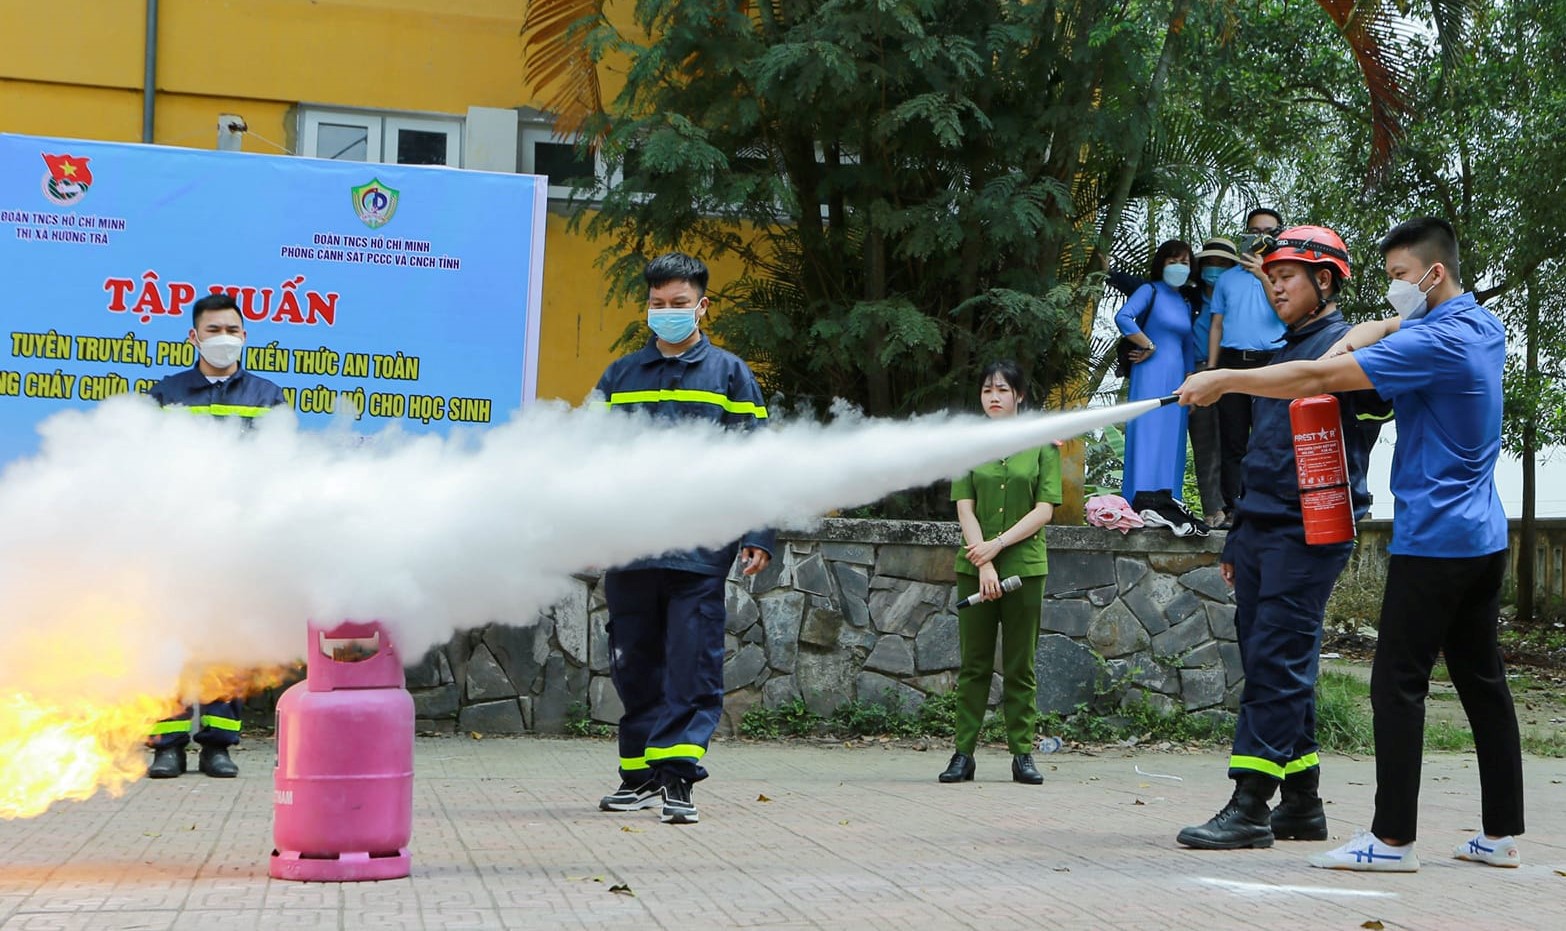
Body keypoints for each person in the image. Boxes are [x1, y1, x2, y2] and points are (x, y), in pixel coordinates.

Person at [1176, 217, 1523, 873]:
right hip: (1483, 533)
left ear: (1434, 273)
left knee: (1396, 685)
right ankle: (1500, 834)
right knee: (1483, 682)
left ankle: (1392, 840)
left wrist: (1223, 381)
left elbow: (1315, 379)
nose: (1394, 288)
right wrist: (1371, 327)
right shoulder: (1480, 325)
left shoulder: (1434, 342)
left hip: (1435, 537)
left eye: (1399, 276)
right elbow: (1390, 327)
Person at [1174, 226, 1391, 850]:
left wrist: (1224, 378)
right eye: (1269, 279)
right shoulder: (1281, 354)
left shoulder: (1349, 354)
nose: (1274, 288)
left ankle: (1249, 805)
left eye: (1286, 277)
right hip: (1262, 523)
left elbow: (1342, 388)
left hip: (1313, 525)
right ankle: (1300, 803)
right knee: (1271, 659)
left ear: (1324, 280)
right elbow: (1265, 453)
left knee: (1277, 659)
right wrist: (1238, 534)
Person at [592, 252, 775, 826]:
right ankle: (639, 775)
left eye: (678, 303)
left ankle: (677, 779)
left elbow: (759, 460)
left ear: (702, 306)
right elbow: (581, 458)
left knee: (691, 666)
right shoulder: (620, 376)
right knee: (634, 665)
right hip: (630, 550)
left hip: (699, 553)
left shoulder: (729, 375)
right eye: (657, 303)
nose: (666, 312)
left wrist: (758, 532)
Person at [146, 293, 286, 779]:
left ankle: (218, 746)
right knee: (169, 642)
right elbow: (142, 466)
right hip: (176, 541)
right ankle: (167, 746)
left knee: (225, 644)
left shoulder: (267, 397)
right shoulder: (166, 394)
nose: (223, 339)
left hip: (235, 543)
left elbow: (280, 468)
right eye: (213, 330)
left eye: (232, 330)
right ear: (194, 336)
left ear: (244, 336)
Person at [941, 360, 1062, 785]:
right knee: (973, 665)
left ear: (1019, 396)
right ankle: (963, 755)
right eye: (987, 390)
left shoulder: (1044, 445)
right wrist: (985, 562)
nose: (994, 397)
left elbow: (1044, 510)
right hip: (975, 566)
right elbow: (965, 509)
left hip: (1025, 567)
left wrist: (998, 546)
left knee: (1020, 665)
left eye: (1003, 390)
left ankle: (1022, 755)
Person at [1209, 208, 1287, 517]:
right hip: (1232, 363)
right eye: (1255, 231)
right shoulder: (1227, 278)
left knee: (1272, 437)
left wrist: (1263, 275)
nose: (1261, 237)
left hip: (1274, 362)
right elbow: (1216, 324)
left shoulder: (1284, 275)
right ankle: (1235, 509)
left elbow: (1285, 312)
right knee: (1233, 439)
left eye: (1269, 232)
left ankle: (1271, 506)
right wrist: (1212, 368)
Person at [1114, 240, 1196, 516]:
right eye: (1173, 262)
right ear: (1162, 263)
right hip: (1149, 372)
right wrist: (1147, 344)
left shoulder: (1185, 302)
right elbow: (1124, 317)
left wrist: (1190, 381)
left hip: (1177, 380)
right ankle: (1138, 502)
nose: (1179, 267)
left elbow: (1188, 344)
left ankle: (1170, 502)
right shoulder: (1149, 290)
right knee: (1147, 433)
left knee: (1173, 438)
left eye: (1184, 263)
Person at [1189, 237, 1239, 528]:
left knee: (1235, 442)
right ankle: (1212, 509)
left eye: (1222, 263)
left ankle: (1236, 506)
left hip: (1233, 371)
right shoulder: (1190, 298)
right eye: (1210, 263)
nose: (1215, 269)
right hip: (1196, 372)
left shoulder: (1239, 298)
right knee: (1204, 441)